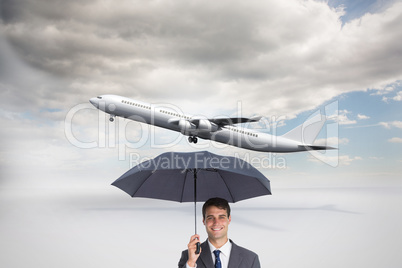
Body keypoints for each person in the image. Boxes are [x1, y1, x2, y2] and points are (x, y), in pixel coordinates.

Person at [178, 197, 261, 268]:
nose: (216, 222)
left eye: (221, 217)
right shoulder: (188, 256)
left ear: (229, 219)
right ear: (204, 221)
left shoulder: (250, 259)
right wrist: (191, 263)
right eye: (210, 218)